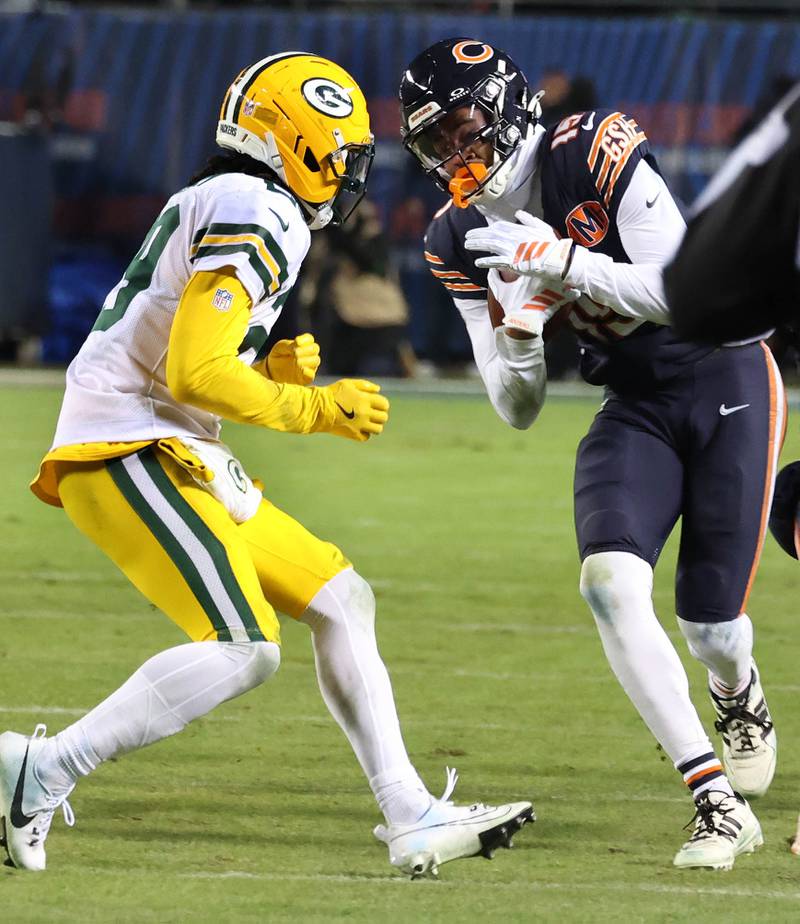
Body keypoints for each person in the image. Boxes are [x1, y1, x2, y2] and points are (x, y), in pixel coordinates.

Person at [0, 52, 533, 878]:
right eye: (344, 151)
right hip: (127, 441)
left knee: (341, 599)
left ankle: (410, 813)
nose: (350, 170)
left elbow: (193, 350)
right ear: (299, 141)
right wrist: (314, 407)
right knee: (244, 645)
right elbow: (194, 372)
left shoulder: (234, 197)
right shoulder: (261, 207)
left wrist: (268, 366)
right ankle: (39, 769)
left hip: (167, 441)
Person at [399, 37, 782, 870]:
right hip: (634, 403)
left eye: (465, 129)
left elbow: (688, 292)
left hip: (726, 372)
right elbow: (516, 408)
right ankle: (715, 802)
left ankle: (737, 691)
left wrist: (566, 261)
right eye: (437, 145)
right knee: (608, 584)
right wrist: (524, 333)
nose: (457, 158)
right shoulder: (454, 234)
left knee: (712, 625)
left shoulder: (590, 149)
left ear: (503, 107)